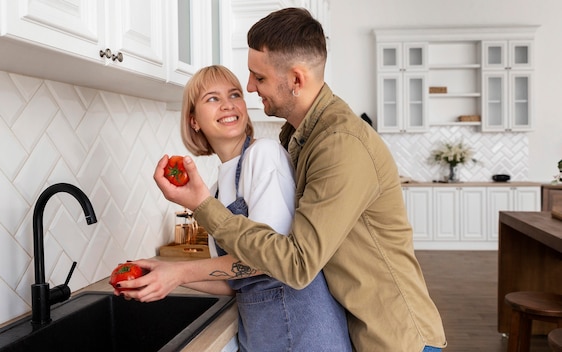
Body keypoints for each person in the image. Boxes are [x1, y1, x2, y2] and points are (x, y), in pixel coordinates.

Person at [151, 8, 447, 352]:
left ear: (296, 79)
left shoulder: (339, 144)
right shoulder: (298, 139)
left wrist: (202, 208)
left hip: (395, 338)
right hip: (359, 331)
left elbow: (296, 264)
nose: (249, 88)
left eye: (257, 78)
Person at [119, 65, 352, 351]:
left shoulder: (264, 155)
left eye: (234, 94)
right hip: (264, 333)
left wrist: (179, 273)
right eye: (213, 98)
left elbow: (269, 259)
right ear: (194, 121)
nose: (228, 104)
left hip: (305, 334)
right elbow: (234, 280)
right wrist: (162, 271)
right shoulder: (216, 189)